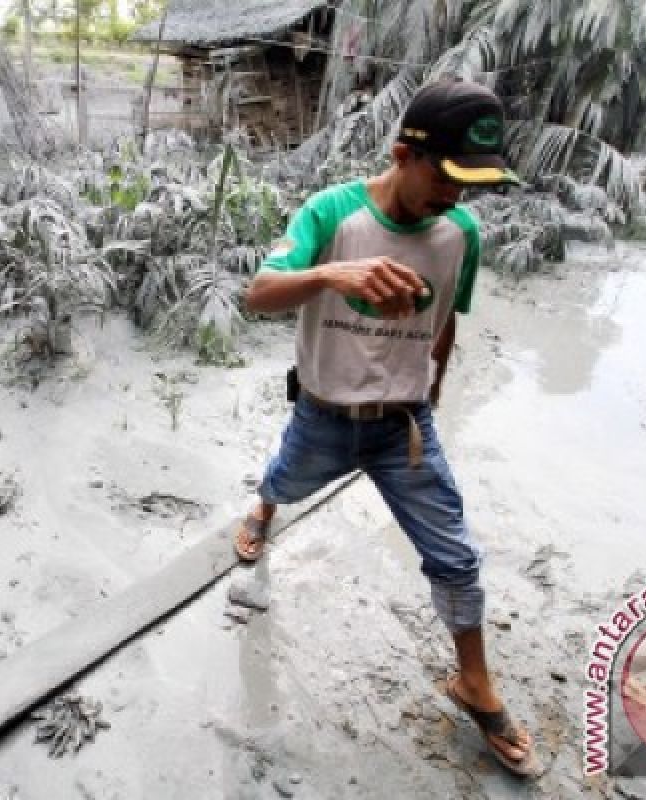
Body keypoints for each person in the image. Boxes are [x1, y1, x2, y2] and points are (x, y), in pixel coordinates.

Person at [234, 80, 542, 778]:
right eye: (445, 178)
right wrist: (331, 274)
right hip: (324, 415)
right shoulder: (332, 213)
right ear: (403, 153)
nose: (455, 198)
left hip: (404, 427)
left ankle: (474, 683)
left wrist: (432, 387)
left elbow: (447, 316)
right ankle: (263, 509)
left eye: (472, 185)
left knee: (457, 559)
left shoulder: (460, 232)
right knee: (285, 475)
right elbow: (258, 295)